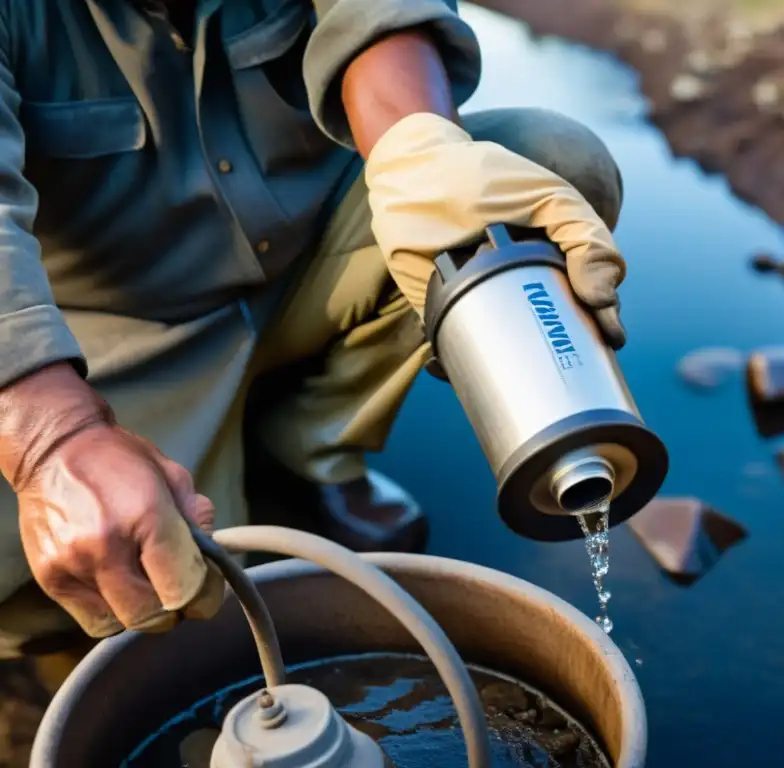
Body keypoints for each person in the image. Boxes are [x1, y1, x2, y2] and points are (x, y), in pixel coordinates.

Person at [0, 0, 628, 674]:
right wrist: (52, 441)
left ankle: (309, 457)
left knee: (550, 164)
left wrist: (419, 156)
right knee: (77, 583)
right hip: (117, 342)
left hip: (317, 261)